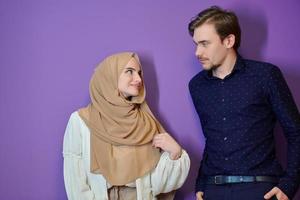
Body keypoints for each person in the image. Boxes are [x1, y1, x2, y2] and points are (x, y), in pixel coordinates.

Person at [188, 6, 300, 200]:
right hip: (213, 190)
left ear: (229, 40)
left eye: (205, 43)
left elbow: (296, 132)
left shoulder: (265, 76)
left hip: (260, 189)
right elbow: (213, 138)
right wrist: (201, 183)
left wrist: (289, 185)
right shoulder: (197, 86)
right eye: (196, 44)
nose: (198, 52)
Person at [63, 52, 190, 200]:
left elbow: (156, 185)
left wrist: (175, 154)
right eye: (129, 71)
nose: (138, 79)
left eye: (139, 73)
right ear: (109, 76)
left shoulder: (146, 122)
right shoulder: (80, 121)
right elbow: (76, 183)